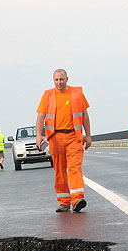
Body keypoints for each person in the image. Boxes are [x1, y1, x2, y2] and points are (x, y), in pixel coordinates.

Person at [36, 69, 91, 213]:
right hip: (55, 138)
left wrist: (88, 135)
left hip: (74, 136)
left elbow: (85, 114)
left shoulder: (77, 93)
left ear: (67, 79)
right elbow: (41, 116)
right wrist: (38, 135)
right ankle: (64, 201)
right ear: (53, 80)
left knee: (74, 168)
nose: (59, 83)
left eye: (61, 79)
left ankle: (77, 198)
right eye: (56, 80)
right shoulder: (48, 95)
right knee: (59, 171)